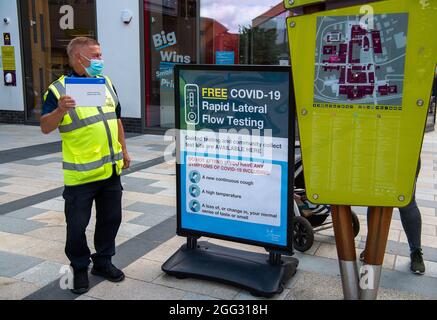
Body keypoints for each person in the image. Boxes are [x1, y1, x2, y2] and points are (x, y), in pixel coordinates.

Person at [40, 37, 131, 294]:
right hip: (81, 175)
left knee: (110, 220)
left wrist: (124, 149)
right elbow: (45, 127)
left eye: (101, 55)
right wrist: (59, 110)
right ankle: (79, 267)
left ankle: (103, 262)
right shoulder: (58, 90)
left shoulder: (106, 83)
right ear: (79, 57)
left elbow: (117, 119)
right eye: (96, 55)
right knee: (77, 227)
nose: (101, 60)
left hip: (110, 170)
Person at [361, 160, 425, 275]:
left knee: (407, 202)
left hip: (407, 154)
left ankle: (416, 251)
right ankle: (372, 246)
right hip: (379, 152)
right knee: (375, 200)